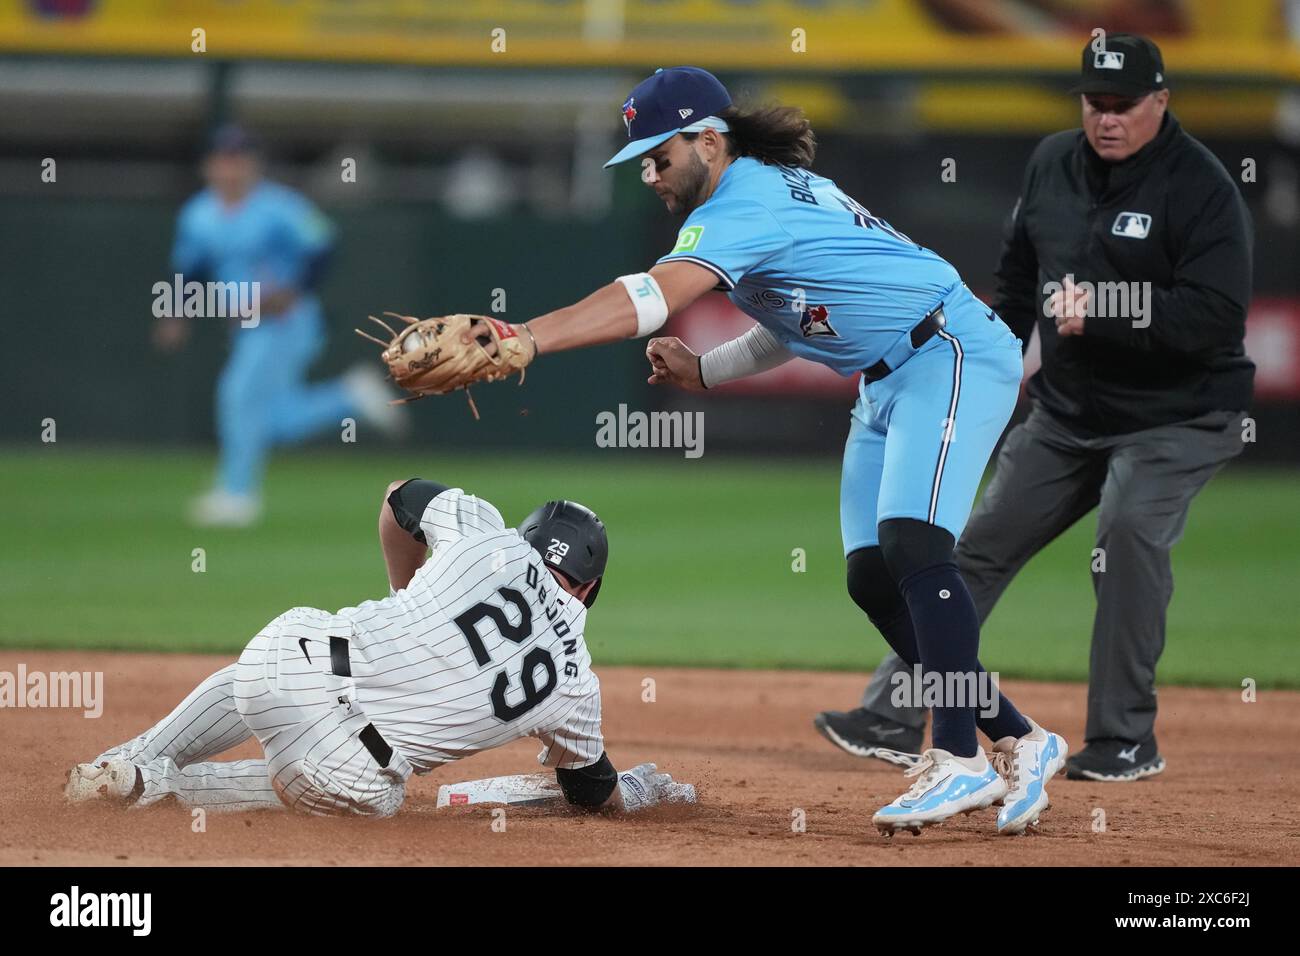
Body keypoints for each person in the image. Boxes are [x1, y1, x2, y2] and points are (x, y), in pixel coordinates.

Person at [417, 66, 1069, 835]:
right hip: (887, 377)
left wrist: (528, 337)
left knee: (916, 546)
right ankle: (1022, 738)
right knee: (873, 577)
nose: (652, 174)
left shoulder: (745, 201)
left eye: (661, 156)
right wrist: (709, 369)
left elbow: (648, 298)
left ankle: (958, 756)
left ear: (710, 141)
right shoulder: (759, 192)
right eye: (644, 162)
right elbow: (793, 320)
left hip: (948, 351)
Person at [814, 34, 1253, 784]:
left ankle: (1123, 739)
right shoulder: (1053, 163)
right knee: (971, 544)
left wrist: (1111, 313)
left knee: (1125, 540)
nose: (1107, 118)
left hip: (1176, 417)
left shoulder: (1200, 185)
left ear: (1161, 101)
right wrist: (984, 378)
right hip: (1068, 411)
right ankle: (893, 709)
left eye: (1123, 105)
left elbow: (1218, 315)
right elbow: (1017, 287)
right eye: (1094, 103)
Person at [65, 479, 691, 816]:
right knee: (384, 795)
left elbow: (399, 494)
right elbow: (589, 791)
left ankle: (130, 762)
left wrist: (405, 591)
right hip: (336, 771)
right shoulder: (576, 683)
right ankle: (159, 791)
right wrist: (639, 789)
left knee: (284, 658)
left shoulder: (483, 532)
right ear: (589, 589)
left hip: (293, 657)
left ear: (528, 534)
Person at [156, 125, 404, 528]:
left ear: (254, 164)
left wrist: (292, 291)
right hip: (246, 324)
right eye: (223, 159)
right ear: (208, 166)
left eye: (239, 159)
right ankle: (347, 398)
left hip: (286, 321)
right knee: (270, 419)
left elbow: (323, 244)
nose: (230, 168)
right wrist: (175, 312)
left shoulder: (278, 207)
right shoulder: (199, 213)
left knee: (238, 396)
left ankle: (237, 495)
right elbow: (190, 269)